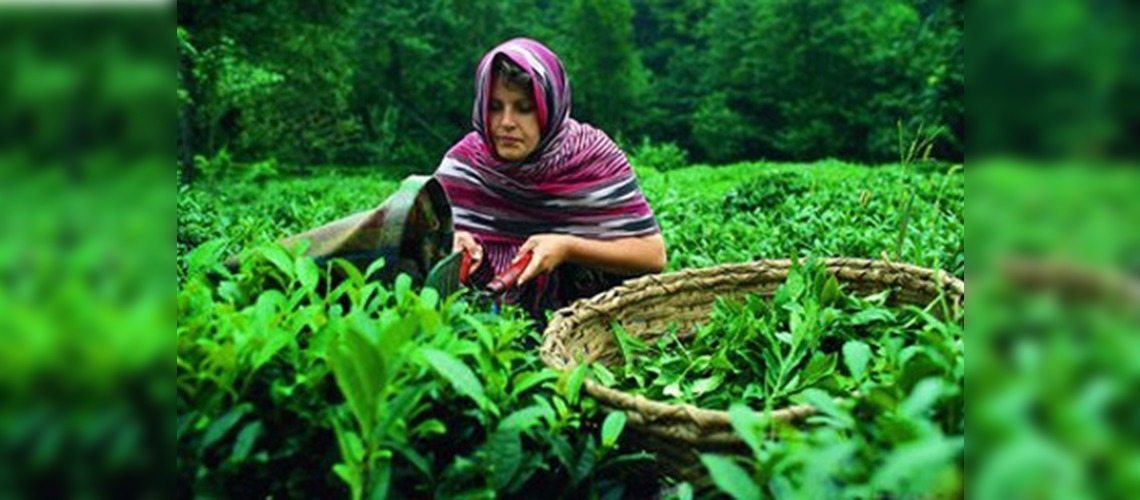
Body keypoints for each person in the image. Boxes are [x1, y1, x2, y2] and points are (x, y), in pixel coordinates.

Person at [433, 38, 666, 325]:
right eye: (495, 106)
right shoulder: (466, 162)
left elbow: (652, 255)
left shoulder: (591, 158)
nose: (506, 122)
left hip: (583, 322)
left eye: (523, 107)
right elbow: (419, 237)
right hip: (479, 325)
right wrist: (451, 241)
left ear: (549, 106)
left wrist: (568, 247)